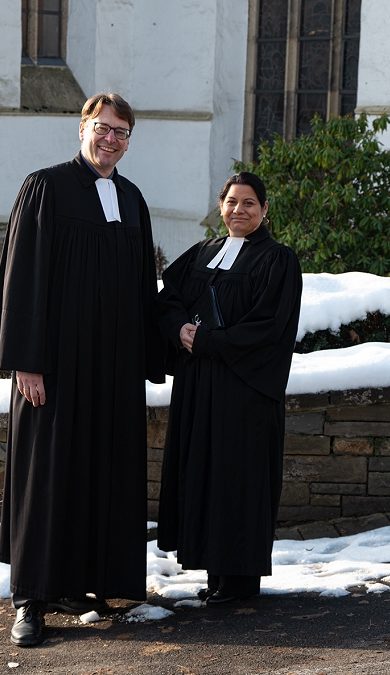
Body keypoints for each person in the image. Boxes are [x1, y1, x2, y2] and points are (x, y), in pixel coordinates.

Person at [0, 93, 165, 646]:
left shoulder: (131, 198)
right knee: (47, 473)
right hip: (55, 366)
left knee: (98, 469)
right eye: (102, 128)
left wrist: (147, 355)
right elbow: (22, 277)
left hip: (111, 369)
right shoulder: (46, 187)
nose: (111, 139)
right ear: (82, 128)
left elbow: (142, 284)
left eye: (121, 132)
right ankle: (31, 599)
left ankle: (81, 584)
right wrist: (26, 361)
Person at [156, 171, 302, 604]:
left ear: (265, 209)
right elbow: (167, 298)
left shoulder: (278, 260)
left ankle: (240, 580)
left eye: (249, 203)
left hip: (245, 390)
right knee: (205, 474)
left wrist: (207, 341)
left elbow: (269, 326)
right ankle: (215, 571)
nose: (239, 210)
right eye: (232, 202)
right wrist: (179, 329)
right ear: (221, 206)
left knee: (238, 477)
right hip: (199, 385)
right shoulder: (203, 252)